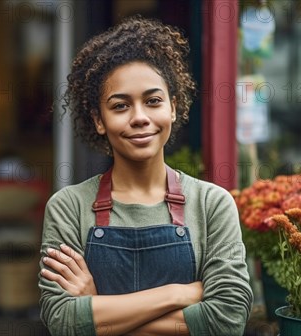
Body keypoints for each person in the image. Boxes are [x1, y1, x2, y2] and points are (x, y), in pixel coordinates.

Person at [39, 16, 253, 336]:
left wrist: (98, 310)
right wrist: (178, 294)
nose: (140, 118)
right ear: (99, 120)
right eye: (120, 105)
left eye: (153, 101)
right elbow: (62, 321)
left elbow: (227, 320)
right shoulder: (68, 207)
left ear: (173, 108)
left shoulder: (212, 204)